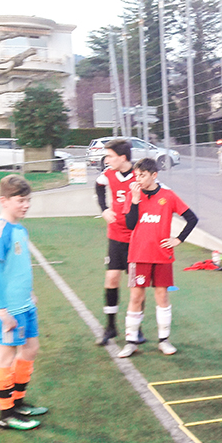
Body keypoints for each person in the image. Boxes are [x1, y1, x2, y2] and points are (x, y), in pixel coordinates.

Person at [116, 158, 198, 358]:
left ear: (154, 175)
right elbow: (130, 224)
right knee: (136, 297)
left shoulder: (168, 196)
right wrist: (135, 200)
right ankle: (131, 342)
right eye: (136, 175)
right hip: (138, 255)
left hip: (162, 255)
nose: (138, 179)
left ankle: (164, 340)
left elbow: (192, 218)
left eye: (142, 175)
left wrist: (178, 239)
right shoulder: (132, 195)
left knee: (162, 296)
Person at [0, 175, 47, 430]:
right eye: (20, 200)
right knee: (5, 357)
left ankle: (18, 402)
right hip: (9, 308)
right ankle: (6, 414)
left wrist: (29, 291)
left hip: (25, 304)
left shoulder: (20, 229)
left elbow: (20, 265)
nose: (26, 205)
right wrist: (2, 311)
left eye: (28, 200)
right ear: (4, 201)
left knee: (31, 349)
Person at [95, 139, 144, 346]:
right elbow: (98, 187)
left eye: (110, 156)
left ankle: (136, 328)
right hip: (115, 236)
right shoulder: (108, 174)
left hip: (136, 238)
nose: (107, 160)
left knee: (136, 284)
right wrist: (104, 209)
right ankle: (110, 327)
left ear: (123, 158)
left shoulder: (139, 175)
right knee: (111, 278)